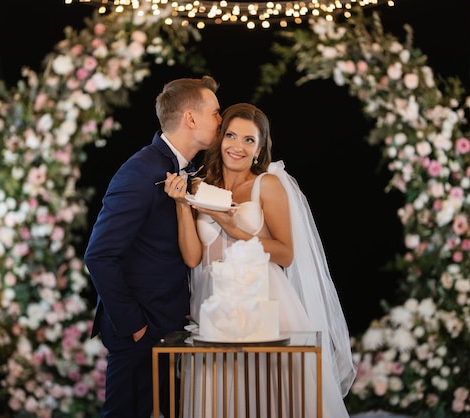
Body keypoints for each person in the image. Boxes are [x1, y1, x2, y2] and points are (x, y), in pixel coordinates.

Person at [164, 103, 356, 417]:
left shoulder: (267, 185)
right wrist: (182, 205)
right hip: (212, 302)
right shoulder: (199, 184)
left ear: (259, 148)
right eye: (231, 136)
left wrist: (231, 226)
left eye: (249, 140)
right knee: (220, 398)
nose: (237, 146)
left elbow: (285, 253)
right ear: (220, 139)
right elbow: (192, 257)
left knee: (268, 399)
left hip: (263, 303)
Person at [84, 75, 222, 418]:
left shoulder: (179, 169)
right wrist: (136, 327)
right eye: (215, 113)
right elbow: (99, 255)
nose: (221, 120)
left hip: (168, 327)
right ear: (190, 118)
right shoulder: (141, 171)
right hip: (140, 333)